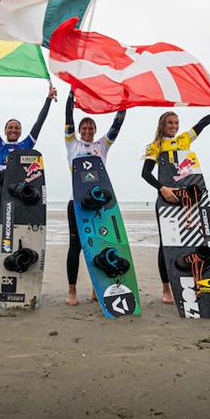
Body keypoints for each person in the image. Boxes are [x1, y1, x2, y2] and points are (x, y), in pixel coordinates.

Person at [140, 106, 210, 304]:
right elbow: (145, 174)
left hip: (188, 199)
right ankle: (166, 289)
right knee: (166, 244)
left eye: (176, 123)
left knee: (191, 240)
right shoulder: (155, 146)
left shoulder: (184, 139)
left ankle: (194, 282)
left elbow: (202, 124)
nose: (174, 126)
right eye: (170, 123)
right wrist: (162, 188)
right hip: (167, 200)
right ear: (163, 124)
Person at [64, 90, 126, 306]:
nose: (88, 130)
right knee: (76, 246)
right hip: (77, 203)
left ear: (95, 130)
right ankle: (72, 291)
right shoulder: (72, 143)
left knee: (100, 244)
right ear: (80, 130)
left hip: (100, 204)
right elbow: (68, 120)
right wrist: (70, 96)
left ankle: (95, 288)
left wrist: (123, 103)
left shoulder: (102, 146)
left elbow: (116, 127)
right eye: (84, 127)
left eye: (91, 127)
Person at [0, 81, 57, 237]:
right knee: (2, 236)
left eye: (16, 127)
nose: (13, 129)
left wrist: (49, 99)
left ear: (20, 131)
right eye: (10, 127)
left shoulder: (26, 145)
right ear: (4, 131)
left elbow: (40, 122)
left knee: (18, 233)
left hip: (20, 191)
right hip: (2, 191)